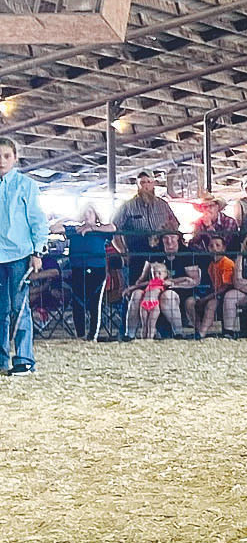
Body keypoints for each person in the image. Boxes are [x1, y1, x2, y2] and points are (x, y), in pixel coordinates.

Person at [0, 136, 47, 375]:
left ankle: (24, 359)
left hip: (19, 254)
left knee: (19, 307)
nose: (1, 161)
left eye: (6, 156)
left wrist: (38, 251)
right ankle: (1, 360)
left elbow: (38, 220)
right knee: (0, 309)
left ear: (15, 158)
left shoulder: (26, 185)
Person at [60, 203, 116, 339]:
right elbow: (54, 228)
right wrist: (68, 218)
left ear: (96, 215)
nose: (87, 215)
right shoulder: (74, 230)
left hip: (97, 269)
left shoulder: (100, 230)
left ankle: (92, 336)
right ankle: (80, 335)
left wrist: (91, 228)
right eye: (85, 212)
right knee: (77, 302)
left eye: (90, 212)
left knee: (94, 303)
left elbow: (113, 227)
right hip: (78, 268)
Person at [112, 170, 179, 283]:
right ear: (138, 185)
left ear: (153, 184)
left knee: (160, 282)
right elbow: (114, 229)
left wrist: (171, 242)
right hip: (137, 252)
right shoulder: (127, 206)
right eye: (142, 182)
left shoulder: (163, 205)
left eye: (148, 182)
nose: (146, 185)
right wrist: (123, 252)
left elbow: (175, 224)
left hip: (160, 251)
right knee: (136, 282)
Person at [187, 235, 235, 338]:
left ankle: (202, 333)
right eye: (211, 246)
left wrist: (206, 298)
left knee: (211, 304)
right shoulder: (211, 265)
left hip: (226, 295)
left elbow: (225, 287)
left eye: (218, 245)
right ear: (208, 248)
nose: (215, 248)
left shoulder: (227, 263)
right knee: (190, 303)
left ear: (223, 248)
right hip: (215, 293)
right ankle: (198, 329)